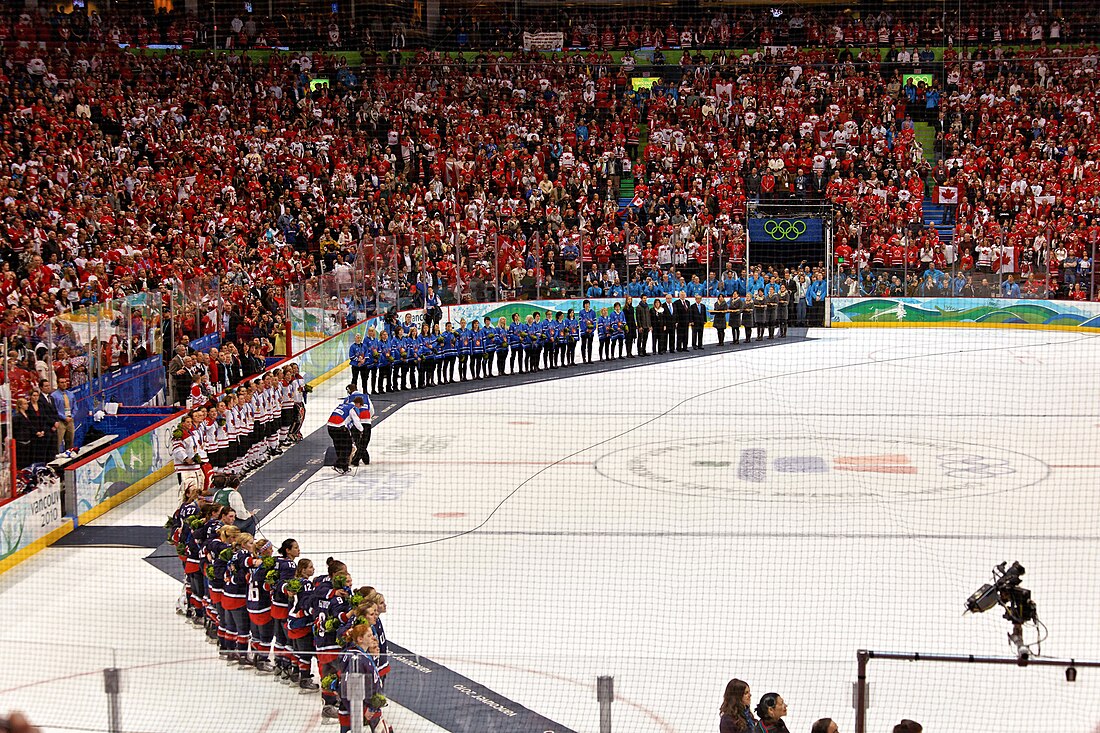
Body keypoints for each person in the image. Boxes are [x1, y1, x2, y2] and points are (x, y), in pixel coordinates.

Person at [327, 396, 364, 475]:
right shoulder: (352, 409)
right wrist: (361, 430)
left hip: (330, 427)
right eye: (360, 406)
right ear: (357, 403)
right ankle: (338, 465)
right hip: (339, 428)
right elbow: (356, 421)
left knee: (339, 447)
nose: (360, 408)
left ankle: (344, 467)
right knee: (348, 448)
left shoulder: (342, 405)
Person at [50, 377, 78, 457]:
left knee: (70, 440)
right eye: (62, 382)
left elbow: (75, 407)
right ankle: (57, 457)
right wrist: (63, 417)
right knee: (58, 441)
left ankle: (69, 455)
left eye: (65, 382)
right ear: (58, 384)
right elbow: (54, 409)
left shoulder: (71, 394)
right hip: (60, 421)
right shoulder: (54, 396)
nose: (64, 384)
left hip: (70, 420)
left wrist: (71, 416)